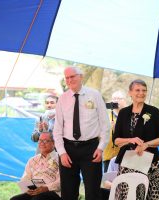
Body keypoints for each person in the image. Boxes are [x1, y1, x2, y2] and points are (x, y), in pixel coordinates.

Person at [53, 66, 110, 200]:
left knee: (93, 191)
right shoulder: (62, 99)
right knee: (68, 193)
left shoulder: (94, 95)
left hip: (91, 149)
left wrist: (101, 148)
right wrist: (62, 152)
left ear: (81, 77)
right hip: (68, 149)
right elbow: (57, 129)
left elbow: (105, 125)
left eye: (72, 76)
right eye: (67, 77)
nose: (69, 80)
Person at [113, 79, 159, 199]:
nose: (141, 93)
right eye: (137, 90)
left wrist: (146, 144)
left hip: (150, 162)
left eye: (144, 90)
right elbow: (116, 140)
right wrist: (130, 140)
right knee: (127, 196)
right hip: (127, 163)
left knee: (150, 195)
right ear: (130, 93)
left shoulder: (153, 111)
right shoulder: (123, 113)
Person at [10, 132, 62, 200]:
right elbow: (26, 178)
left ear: (54, 143)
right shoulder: (32, 160)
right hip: (34, 191)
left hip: (52, 192)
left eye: (46, 141)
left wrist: (46, 188)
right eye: (40, 140)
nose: (42, 143)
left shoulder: (60, 159)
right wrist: (26, 188)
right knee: (14, 199)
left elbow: (61, 181)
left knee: (37, 199)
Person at [103, 90, 127, 172]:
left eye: (119, 98)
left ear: (125, 101)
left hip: (125, 155)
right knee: (109, 181)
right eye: (114, 98)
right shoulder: (105, 116)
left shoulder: (129, 115)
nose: (116, 101)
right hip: (108, 155)